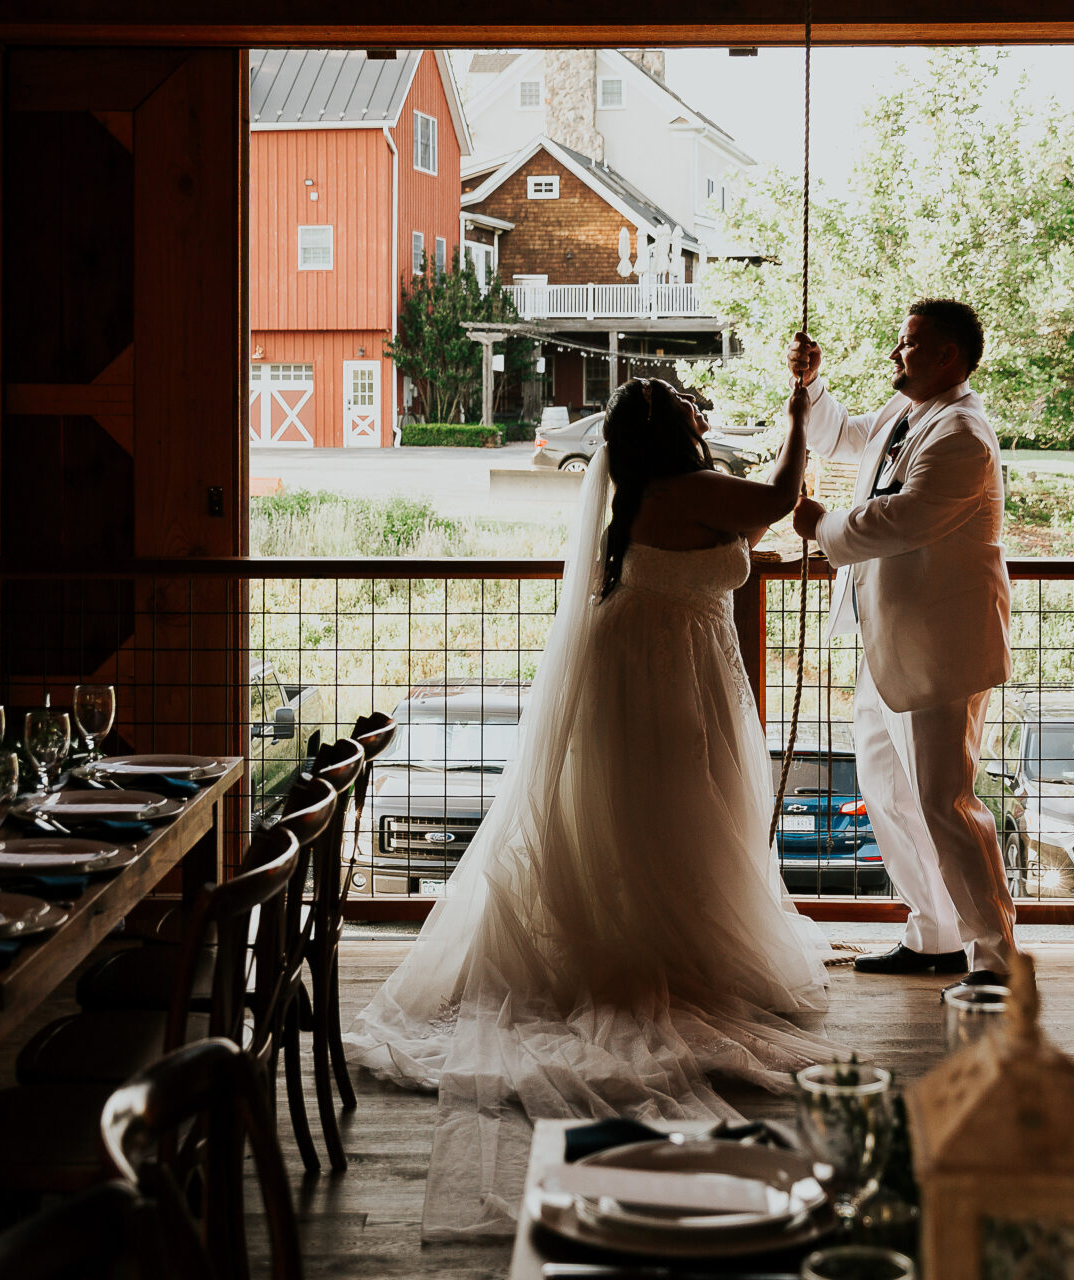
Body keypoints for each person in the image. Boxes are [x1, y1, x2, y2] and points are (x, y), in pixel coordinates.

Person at [345, 377, 842, 1239]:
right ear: (666, 431)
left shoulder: (667, 489)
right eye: (689, 402)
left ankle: (659, 938)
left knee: (669, 821)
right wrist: (800, 420)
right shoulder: (681, 489)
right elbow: (771, 500)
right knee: (670, 819)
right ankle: (652, 950)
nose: (700, 404)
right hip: (661, 670)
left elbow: (750, 514)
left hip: (671, 660)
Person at [787, 298, 1017, 991]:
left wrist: (823, 526)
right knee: (887, 791)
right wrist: (810, 385)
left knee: (948, 803)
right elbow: (838, 438)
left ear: (948, 356)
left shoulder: (962, 436)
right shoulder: (904, 416)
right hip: (886, 642)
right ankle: (933, 934)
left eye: (908, 345)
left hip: (940, 649)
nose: (895, 354)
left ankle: (995, 961)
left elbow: (905, 520)